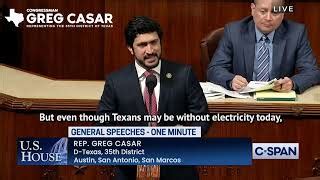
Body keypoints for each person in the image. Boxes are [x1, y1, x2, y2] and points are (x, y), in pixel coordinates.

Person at [98, 16, 209, 180]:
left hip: (177, 167)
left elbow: (203, 118)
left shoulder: (183, 75)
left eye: (154, 42)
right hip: (131, 169)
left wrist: (184, 136)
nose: (150, 50)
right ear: (130, 48)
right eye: (142, 45)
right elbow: (102, 124)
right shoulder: (116, 81)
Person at [207, 0, 320, 94]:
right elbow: (215, 69)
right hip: (244, 99)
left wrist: (292, 83)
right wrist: (231, 80)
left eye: (275, 12)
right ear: (253, 9)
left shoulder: (296, 33)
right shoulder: (234, 31)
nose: (268, 18)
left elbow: (312, 72)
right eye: (263, 11)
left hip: (278, 100)